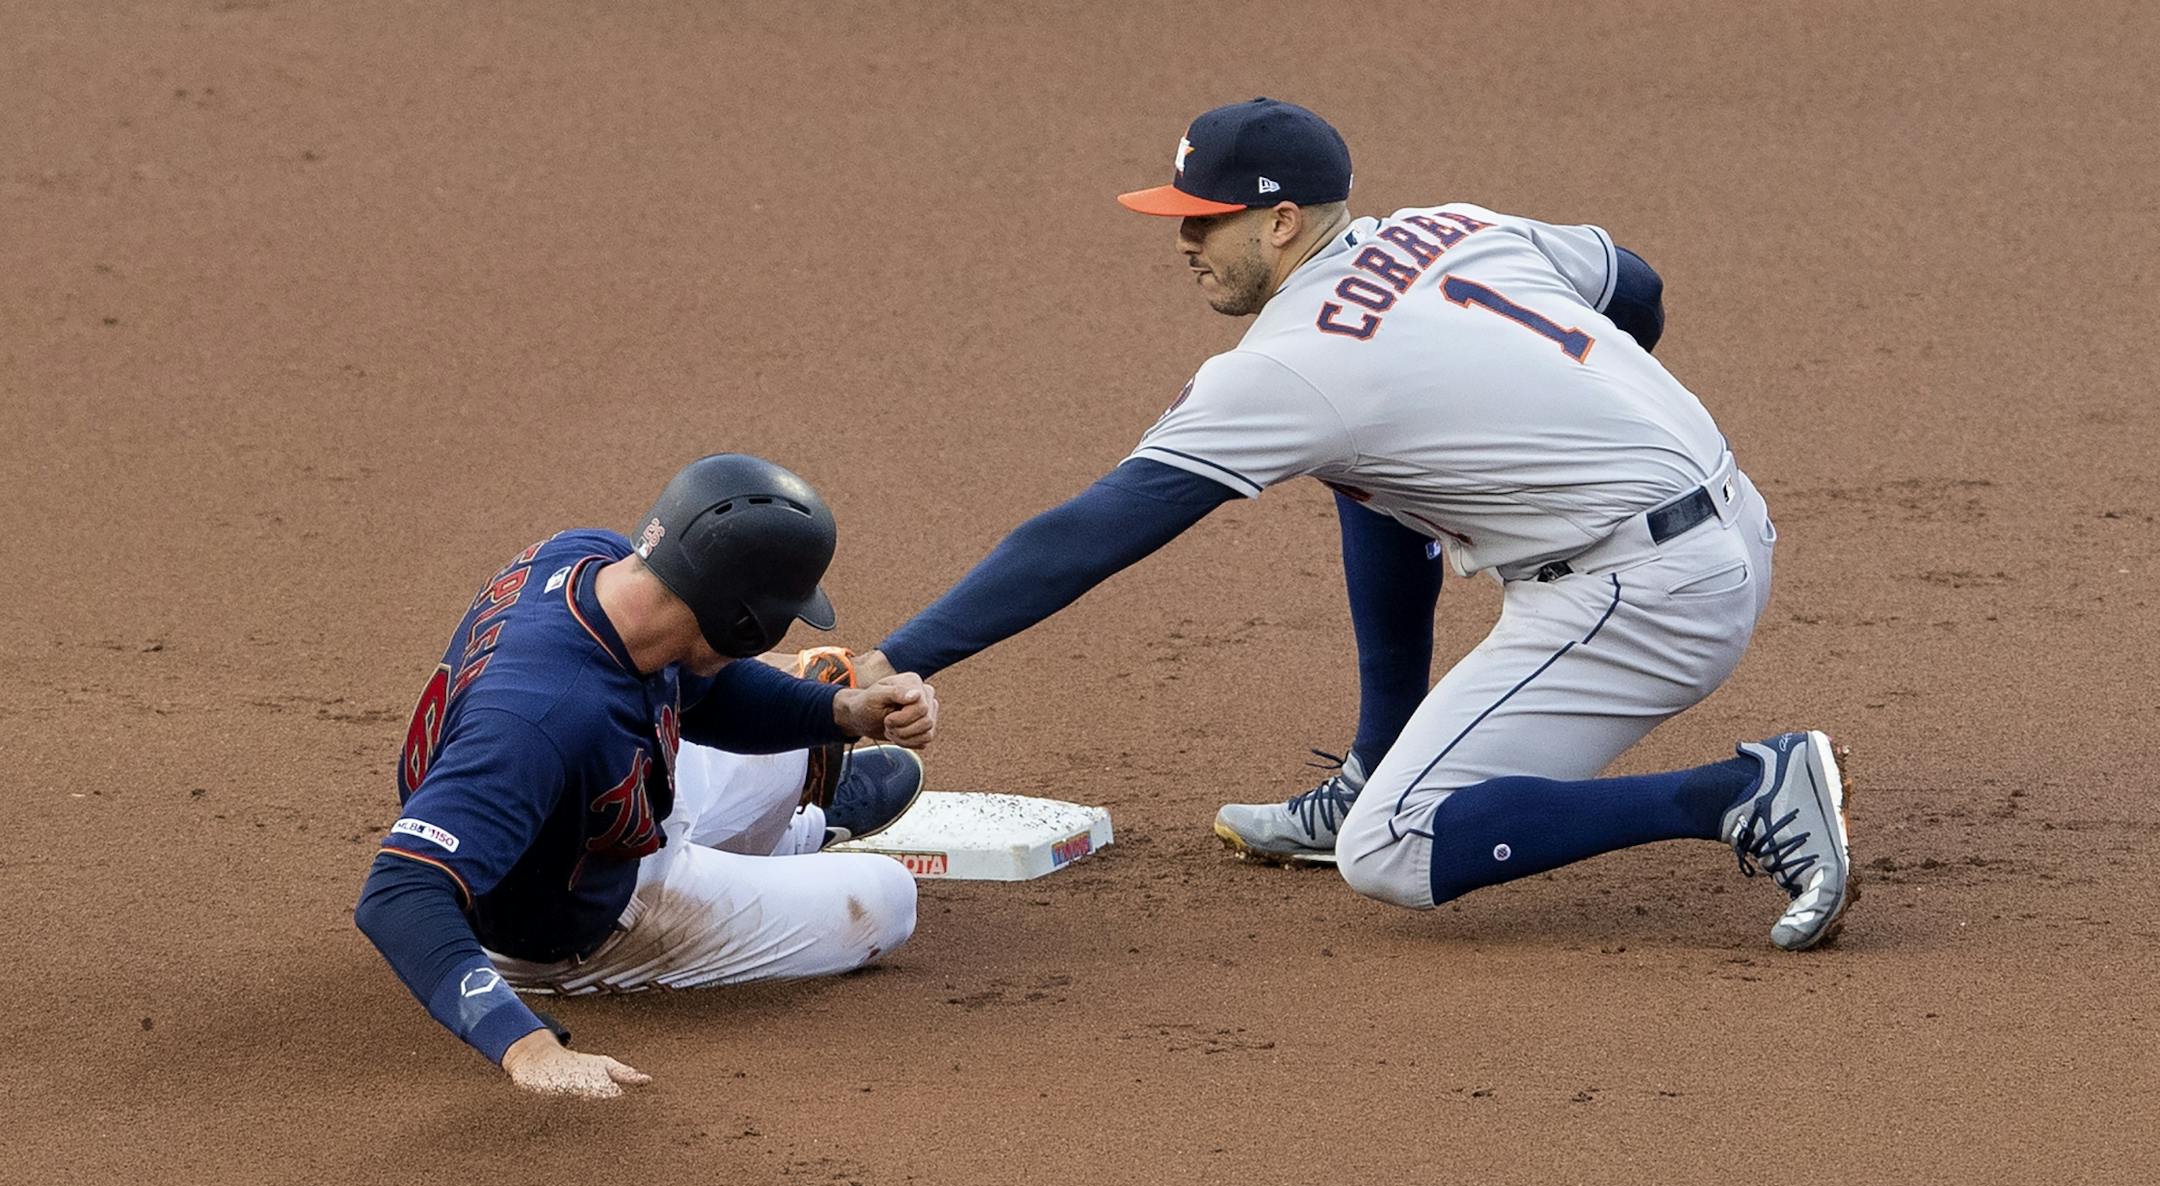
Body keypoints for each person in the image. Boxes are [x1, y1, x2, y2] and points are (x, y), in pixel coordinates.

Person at [834, 97, 1852, 950]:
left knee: (1392, 850)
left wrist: (899, 656)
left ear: (1281, 223)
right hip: (1727, 518)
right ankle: (1383, 751)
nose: (1184, 239)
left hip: (1641, 601)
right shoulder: (1449, 226)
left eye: (1207, 218)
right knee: (1363, 460)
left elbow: (1088, 533)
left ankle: (1741, 792)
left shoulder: (1290, 366)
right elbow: (1636, 286)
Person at [354, 454, 940, 1098]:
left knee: (791, 744)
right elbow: (400, 892)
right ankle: (787, 852)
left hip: (594, 808)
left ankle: (784, 847)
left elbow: (701, 684)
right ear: (743, 622)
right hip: (566, 925)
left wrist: (840, 711)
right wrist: (525, 1045)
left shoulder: (589, 559)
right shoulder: (544, 719)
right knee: (887, 900)